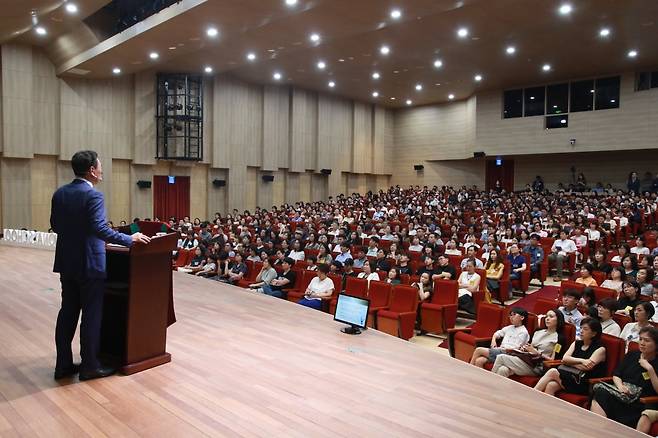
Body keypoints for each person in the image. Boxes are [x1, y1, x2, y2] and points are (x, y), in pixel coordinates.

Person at [51, 150, 151, 381]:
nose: (102, 170)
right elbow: (99, 229)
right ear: (92, 170)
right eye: (100, 165)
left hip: (67, 262)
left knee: (67, 313)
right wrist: (130, 239)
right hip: (90, 264)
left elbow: (56, 225)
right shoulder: (93, 196)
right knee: (91, 315)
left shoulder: (60, 193)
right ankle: (90, 366)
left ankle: (63, 365)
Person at [592, 327, 658, 428]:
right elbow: (616, 374)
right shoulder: (632, 355)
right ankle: (599, 430)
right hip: (622, 394)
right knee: (599, 393)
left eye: (647, 340)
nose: (642, 343)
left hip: (641, 401)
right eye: (640, 339)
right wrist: (620, 387)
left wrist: (650, 369)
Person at [534, 317, 606, 396]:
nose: (581, 331)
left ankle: (532, 394)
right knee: (550, 385)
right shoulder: (577, 343)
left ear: (594, 333)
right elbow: (565, 358)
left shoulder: (600, 349)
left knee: (553, 372)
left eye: (585, 329)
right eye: (581, 328)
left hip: (583, 382)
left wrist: (569, 362)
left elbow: (586, 367)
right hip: (570, 375)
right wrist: (582, 361)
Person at [492, 309, 566, 378]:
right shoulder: (538, 331)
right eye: (546, 316)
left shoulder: (560, 338)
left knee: (501, 357)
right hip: (527, 360)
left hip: (538, 366)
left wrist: (538, 353)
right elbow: (530, 346)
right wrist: (525, 349)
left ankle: (488, 383)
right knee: (503, 369)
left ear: (558, 320)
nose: (547, 318)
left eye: (551, 316)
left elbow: (553, 360)